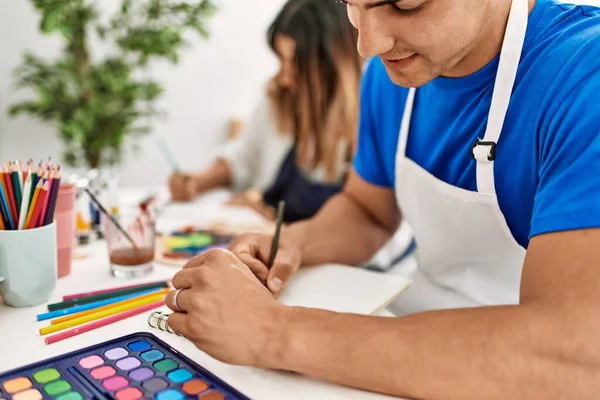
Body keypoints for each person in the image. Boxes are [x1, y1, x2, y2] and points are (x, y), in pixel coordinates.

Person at [165, 0, 600, 398]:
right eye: (352, 4)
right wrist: (293, 243)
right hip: (405, 334)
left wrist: (271, 332)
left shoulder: (584, 77)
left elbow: (571, 354)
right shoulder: (393, 73)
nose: (368, 44)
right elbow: (367, 213)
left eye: (404, 4)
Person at [169, 0, 361, 224]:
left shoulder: (372, 115)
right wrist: (199, 181)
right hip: (275, 241)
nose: (286, 77)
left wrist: (280, 228)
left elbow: (366, 220)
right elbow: (244, 159)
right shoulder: (278, 97)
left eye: (298, 63)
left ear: (337, 60)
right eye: (281, 59)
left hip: (340, 255)